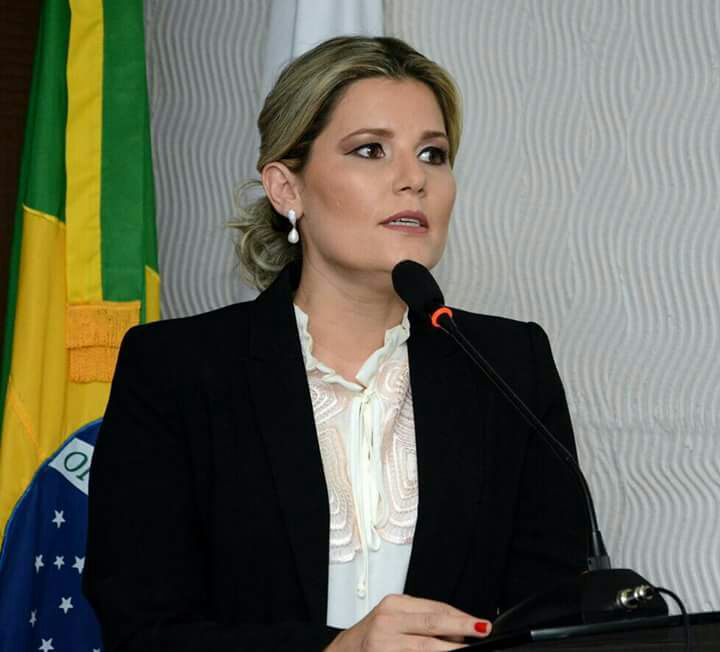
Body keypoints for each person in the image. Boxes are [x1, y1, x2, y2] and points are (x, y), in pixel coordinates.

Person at [83, 36, 588, 651]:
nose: (414, 179)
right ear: (286, 188)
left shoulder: (507, 364)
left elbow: (558, 610)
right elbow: (142, 630)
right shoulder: (178, 368)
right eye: (370, 150)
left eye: (433, 154)